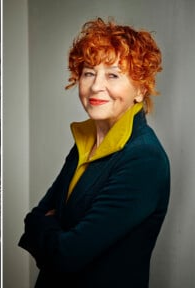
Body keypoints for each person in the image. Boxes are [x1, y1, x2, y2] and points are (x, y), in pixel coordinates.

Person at [18, 18, 170, 288]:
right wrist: (51, 229)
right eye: (89, 72)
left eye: (113, 74)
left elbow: (66, 254)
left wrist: (47, 228)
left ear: (140, 89)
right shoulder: (84, 142)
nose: (96, 86)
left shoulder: (144, 158)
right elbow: (34, 216)